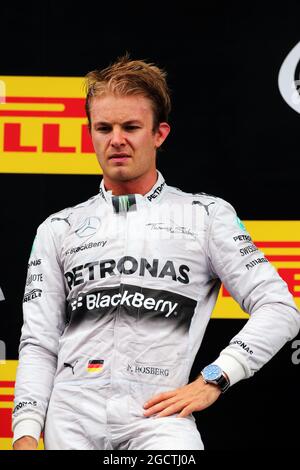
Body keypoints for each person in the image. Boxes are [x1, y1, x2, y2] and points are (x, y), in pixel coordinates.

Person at [12, 55, 300, 450]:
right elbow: (40, 341)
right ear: (91, 134)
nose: (117, 139)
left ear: (159, 134)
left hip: (157, 418)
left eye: (131, 127)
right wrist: (26, 431)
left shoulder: (205, 216)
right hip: (71, 420)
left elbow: (280, 308)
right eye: (104, 128)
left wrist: (215, 377)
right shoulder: (58, 228)